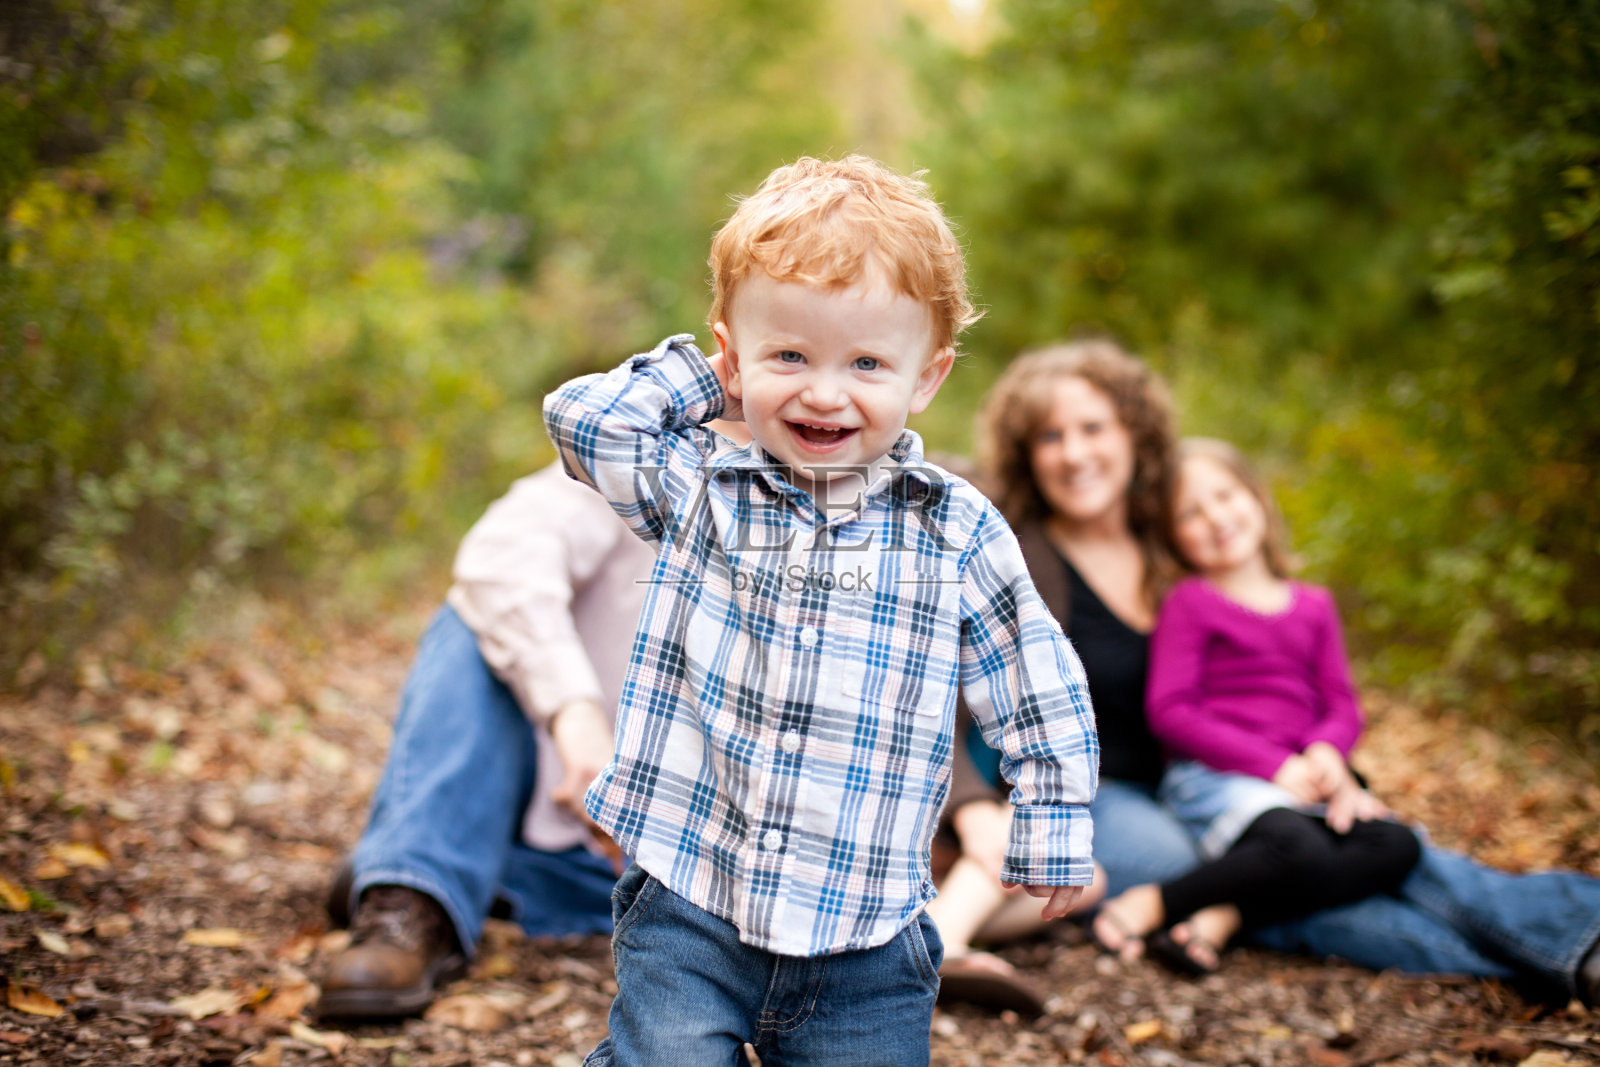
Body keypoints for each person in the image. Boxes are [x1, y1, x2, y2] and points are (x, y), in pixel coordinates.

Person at [541, 155, 1099, 1066]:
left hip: (865, 930)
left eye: (867, 362)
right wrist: (715, 380)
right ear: (736, 356)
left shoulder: (954, 527)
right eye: (790, 355)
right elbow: (588, 422)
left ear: (928, 377)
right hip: (695, 895)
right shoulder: (705, 488)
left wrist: (1054, 812)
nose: (825, 392)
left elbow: (1033, 674)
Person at [942, 337, 1600, 1006]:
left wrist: (1331, 768)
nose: (1074, 453)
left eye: (1092, 427)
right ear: (1026, 453)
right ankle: (1542, 953)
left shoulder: (1174, 540)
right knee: (1243, 870)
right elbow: (941, 695)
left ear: (1134, 431)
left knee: (1352, 844)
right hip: (1102, 798)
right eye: (1050, 436)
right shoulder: (1020, 556)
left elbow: (1265, 677)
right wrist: (970, 810)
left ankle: (1566, 937)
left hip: (1223, 776)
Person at [1090, 437, 1421, 975]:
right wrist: (1275, 766)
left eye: (1225, 496)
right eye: (1191, 513)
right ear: (1173, 537)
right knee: (1300, 850)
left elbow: (1341, 703)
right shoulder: (1191, 602)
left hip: (1302, 776)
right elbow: (1171, 711)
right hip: (1218, 776)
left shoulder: (1314, 606)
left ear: (1258, 497)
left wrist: (1327, 754)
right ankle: (1158, 902)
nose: (1216, 518)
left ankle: (1227, 913)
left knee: (1398, 846)